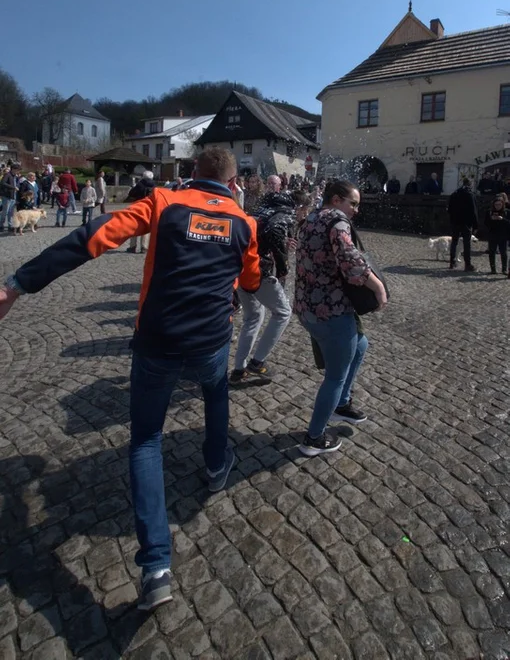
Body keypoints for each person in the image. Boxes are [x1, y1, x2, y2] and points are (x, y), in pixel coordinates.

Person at [0, 147, 260, 611]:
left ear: (192, 173)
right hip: (210, 339)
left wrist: (19, 283)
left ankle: (156, 567)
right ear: (233, 180)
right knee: (215, 395)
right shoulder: (245, 223)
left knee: (145, 441)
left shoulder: (163, 202)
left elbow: (93, 235)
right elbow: (253, 278)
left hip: (158, 339)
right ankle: (217, 466)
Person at [295, 179, 387, 457]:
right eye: (353, 203)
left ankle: (342, 403)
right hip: (330, 312)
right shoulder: (337, 220)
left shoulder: (311, 218)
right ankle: (313, 438)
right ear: (336, 200)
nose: (355, 210)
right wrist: (378, 287)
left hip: (307, 307)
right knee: (335, 376)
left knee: (360, 345)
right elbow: (350, 261)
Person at [230, 191, 297, 386]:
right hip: (260, 272)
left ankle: (238, 370)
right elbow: (275, 231)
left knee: (253, 318)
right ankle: (257, 362)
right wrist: (283, 266)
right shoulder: (279, 214)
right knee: (283, 313)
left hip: (242, 271)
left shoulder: (256, 213)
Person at [447, 178, 478, 271]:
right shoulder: (469, 194)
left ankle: (452, 262)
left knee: (454, 242)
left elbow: (449, 209)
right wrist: (476, 224)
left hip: (455, 222)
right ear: (470, 184)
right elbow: (473, 210)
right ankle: (467, 264)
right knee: (467, 243)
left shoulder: (454, 194)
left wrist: (452, 219)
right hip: (466, 222)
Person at [126, 171, 156, 253]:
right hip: (149, 208)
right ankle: (144, 247)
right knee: (146, 227)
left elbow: (131, 193)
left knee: (134, 227)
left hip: (138, 207)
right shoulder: (154, 186)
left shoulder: (139, 184)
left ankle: (132, 246)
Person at [485, 196, 510, 275]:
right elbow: (486, 223)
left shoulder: (507, 212)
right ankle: (493, 269)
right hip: (493, 234)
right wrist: (491, 219)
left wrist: (502, 219)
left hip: (503, 235)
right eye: (496, 205)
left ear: (502, 204)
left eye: (499, 205)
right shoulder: (489, 212)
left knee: (504, 253)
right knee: (492, 252)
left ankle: (504, 269)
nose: (497, 206)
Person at [0, 162, 20, 231]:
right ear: (13, 169)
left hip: (13, 196)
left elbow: (16, 184)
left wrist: (16, 186)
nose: (18, 171)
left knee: (11, 212)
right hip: (6, 196)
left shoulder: (15, 176)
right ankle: (1, 225)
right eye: (17, 169)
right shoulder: (7, 175)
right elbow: (2, 183)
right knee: (5, 212)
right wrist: (13, 187)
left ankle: (10, 225)